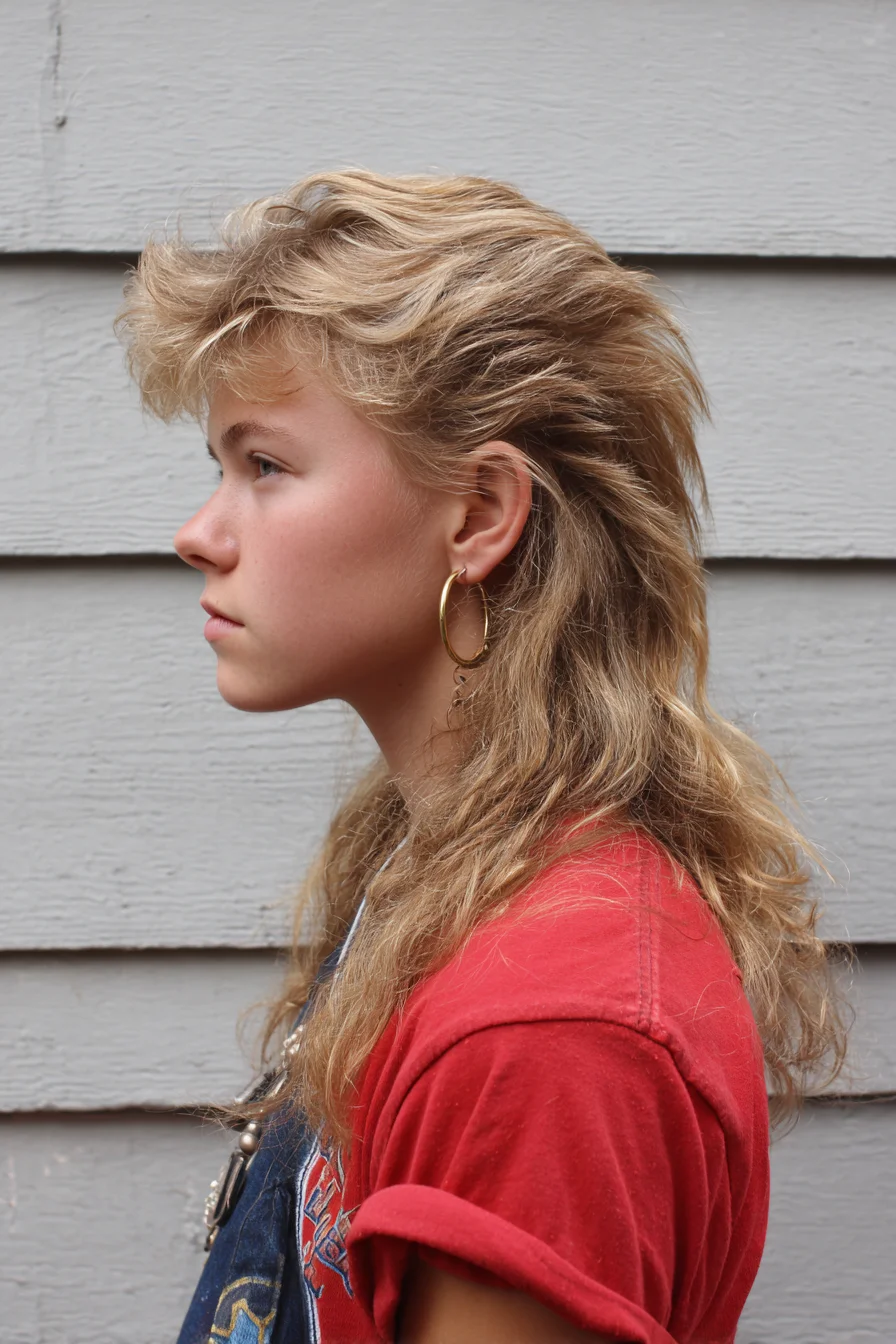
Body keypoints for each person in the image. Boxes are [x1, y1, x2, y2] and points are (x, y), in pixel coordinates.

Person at [116, 169, 847, 1344]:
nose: (199, 533)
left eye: (264, 466)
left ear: (475, 516)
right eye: (219, 467)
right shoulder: (447, 861)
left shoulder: (546, 1032)